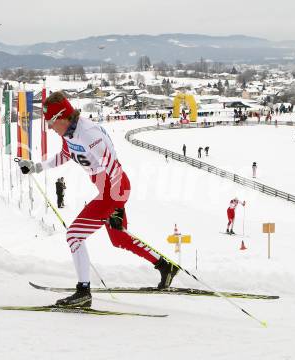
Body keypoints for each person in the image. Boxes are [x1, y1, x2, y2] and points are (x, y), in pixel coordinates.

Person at [17, 91, 178, 307]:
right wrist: (37, 166)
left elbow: (114, 169)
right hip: (109, 190)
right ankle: (165, 267)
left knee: (74, 235)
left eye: (51, 122)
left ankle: (83, 292)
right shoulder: (69, 133)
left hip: (114, 188)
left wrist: (115, 205)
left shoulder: (89, 134)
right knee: (119, 238)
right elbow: (66, 155)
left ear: (63, 117)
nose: (50, 128)